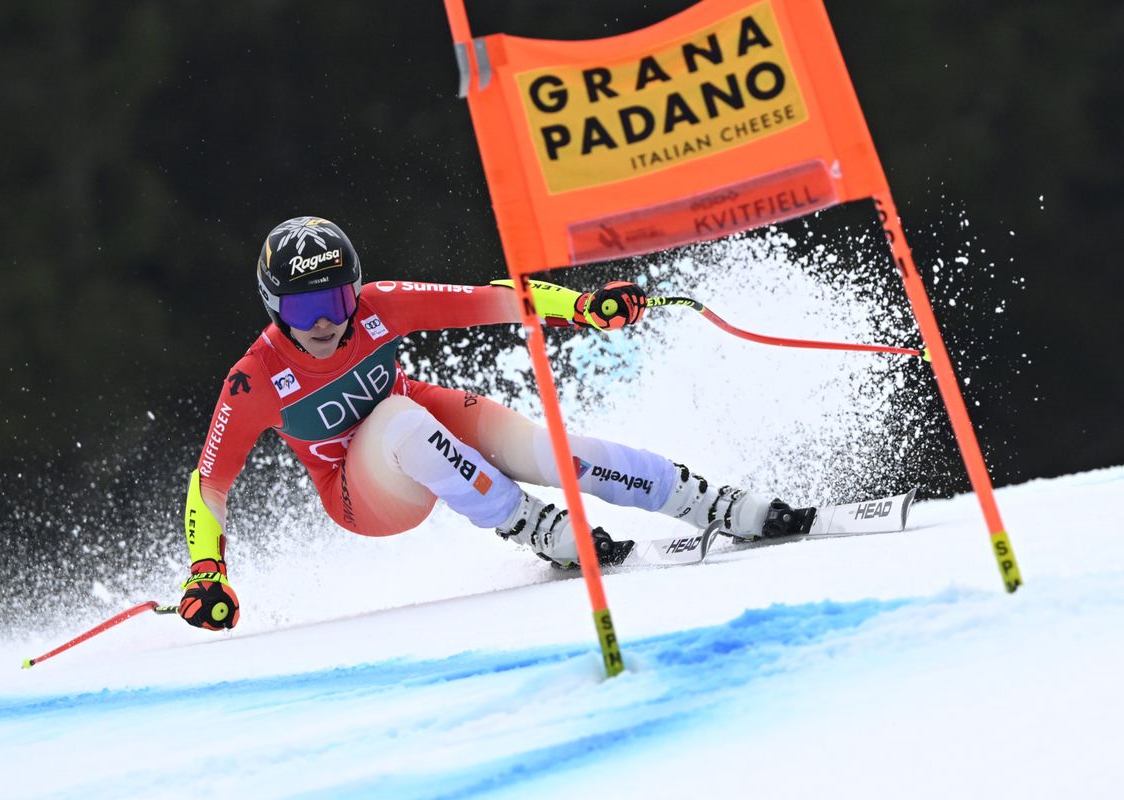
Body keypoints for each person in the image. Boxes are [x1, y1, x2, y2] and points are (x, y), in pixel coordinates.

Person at [177, 216, 811, 631]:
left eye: (336, 299)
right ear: (273, 307)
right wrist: (207, 571)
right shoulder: (255, 378)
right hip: (364, 494)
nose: (324, 322)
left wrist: (584, 307)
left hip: (425, 429)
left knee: (547, 449)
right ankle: (532, 525)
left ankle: (713, 503)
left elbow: (490, 300)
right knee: (398, 416)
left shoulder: (377, 307)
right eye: (304, 308)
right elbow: (210, 483)